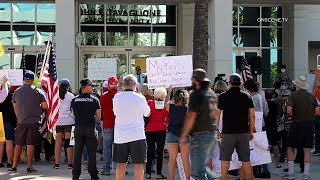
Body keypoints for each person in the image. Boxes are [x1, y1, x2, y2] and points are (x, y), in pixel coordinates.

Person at [216, 73, 254, 180]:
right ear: (241, 83)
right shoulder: (247, 96)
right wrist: (251, 131)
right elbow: (252, 115)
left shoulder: (223, 96)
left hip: (227, 132)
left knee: (225, 159)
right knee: (246, 160)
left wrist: (216, 129)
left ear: (229, 83)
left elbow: (217, 114)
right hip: (243, 132)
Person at [180, 68, 217, 180]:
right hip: (211, 134)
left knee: (197, 172)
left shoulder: (197, 94)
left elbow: (191, 115)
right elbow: (216, 112)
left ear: (195, 80)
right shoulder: (211, 93)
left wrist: (184, 134)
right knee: (203, 168)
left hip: (200, 136)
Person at [9, 71, 48, 173]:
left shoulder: (17, 91)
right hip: (34, 121)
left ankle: (14, 166)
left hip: (21, 121)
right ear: (32, 80)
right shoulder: (38, 91)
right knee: (30, 144)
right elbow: (45, 106)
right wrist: (37, 107)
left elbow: (15, 106)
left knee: (18, 144)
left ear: (24, 79)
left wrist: (19, 117)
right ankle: (29, 166)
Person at [113, 74, 150, 180]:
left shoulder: (117, 97)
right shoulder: (140, 97)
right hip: (137, 135)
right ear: (134, 85)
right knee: (138, 164)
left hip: (121, 135)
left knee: (121, 164)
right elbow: (147, 113)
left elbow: (115, 112)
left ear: (124, 85)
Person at [282, 76, 319, 180]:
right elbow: (317, 111)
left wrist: (295, 116)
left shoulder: (292, 95)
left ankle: (291, 173)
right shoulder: (312, 96)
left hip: (296, 124)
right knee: (307, 149)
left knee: (290, 148)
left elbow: (289, 111)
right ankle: (306, 174)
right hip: (309, 125)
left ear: (296, 85)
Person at [71, 78, 101, 180]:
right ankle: (93, 175)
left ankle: (75, 176)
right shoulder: (94, 100)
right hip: (90, 128)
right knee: (92, 153)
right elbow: (98, 116)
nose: (92, 88)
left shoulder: (74, 99)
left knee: (77, 153)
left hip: (78, 128)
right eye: (91, 86)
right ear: (87, 87)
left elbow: (72, 114)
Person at [243, 79, 270, 179]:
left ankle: (253, 171)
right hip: (261, 124)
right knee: (262, 147)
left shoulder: (249, 98)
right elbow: (266, 112)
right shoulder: (261, 97)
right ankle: (265, 170)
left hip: (251, 125)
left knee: (250, 148)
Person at [145, 87, 171, 179]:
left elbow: (146, 114)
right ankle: (159, 173)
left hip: (149, 129)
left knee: (150, 151)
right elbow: (168, 119)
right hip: (161, 129)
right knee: (160, 152)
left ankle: (148, 172)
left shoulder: (150, 103)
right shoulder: (165, 105)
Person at [166, 89, 190, 180]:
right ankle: (187, 178)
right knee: (185, 159)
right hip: (184, 134)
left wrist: (169, 92)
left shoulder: (171, 107)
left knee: (172, 159)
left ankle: (171, 178)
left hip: (172, 133)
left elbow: (166, 103)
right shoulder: (187, 109)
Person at [100, 76, 119, 176]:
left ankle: (106, 169)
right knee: (119, 147)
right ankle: (121, 168)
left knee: (107, 147)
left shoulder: (104, 96)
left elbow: (101, 109)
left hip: (107, 124)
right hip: (119, 125)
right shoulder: (120, 95)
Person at [54, 79, 75, 169]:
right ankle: (70, 163)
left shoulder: (56, 96)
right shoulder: (71, 96)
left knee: (58, 143)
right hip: (70, 122)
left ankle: (57, 164)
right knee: (69, 143)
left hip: (58, 122)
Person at [0, 84, 17, 168]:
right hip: (9, 121)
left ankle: (0, 161)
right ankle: (10, 162)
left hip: (0, 120)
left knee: (0, 142)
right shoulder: (12, 97)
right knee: (9, 141)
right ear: (10, 88)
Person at [264, 89, 281, 168]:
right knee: (274, 144)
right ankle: (277, 162)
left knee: (264, 144)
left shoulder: (263, 104)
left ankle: (264, 162)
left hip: (265, 124)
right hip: (273, 125)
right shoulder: (275, 104)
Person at [312, 69, 320, 155]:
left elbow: (314, 89)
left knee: (317, 133)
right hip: (317, 115)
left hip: (317, 115)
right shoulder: (317, 91)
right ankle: (317, 149)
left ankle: (318, 149)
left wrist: (316, 77)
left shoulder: (317, 92)